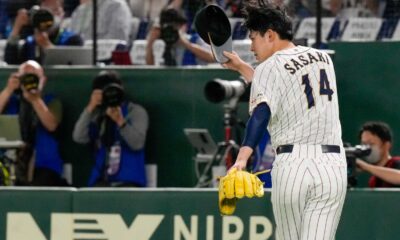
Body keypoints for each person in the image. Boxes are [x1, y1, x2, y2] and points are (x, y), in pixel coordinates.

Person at [222, 1, 347, 239]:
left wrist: (241, 159)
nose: (251, 47)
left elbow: (261, 112)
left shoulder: (269, 67)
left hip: (293, 164)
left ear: (270, 35)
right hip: (332, 166)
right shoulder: (324, 58)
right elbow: (287, 86)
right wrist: (242, 68)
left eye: (253, 38)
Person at [72, 70, 148, 187]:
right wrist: (90, 107)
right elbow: (78, 137)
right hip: (101, 180)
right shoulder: (97, 115)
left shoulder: (135, 111)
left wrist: (120, 122)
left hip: (129, 181)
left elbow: (137, 143)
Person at [0, 60, 65, 186]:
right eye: (26, 77)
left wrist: (35, 100)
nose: (30, 81)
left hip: (43, 165)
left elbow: (51, 125)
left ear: (43, 80)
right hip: (10, 161)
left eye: (34, 77)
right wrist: (8, 90)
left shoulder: (52, 102)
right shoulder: (11, 102)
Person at [4, 0, 83, 64]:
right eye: (45, 11)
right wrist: (16, 28)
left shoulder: (73, 40)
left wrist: (48, 47)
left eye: (54, 10)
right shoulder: (30, 43)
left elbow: (71, 68)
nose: (50, 15)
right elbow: (11, 63)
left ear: (62, 14)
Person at [145, 7, 214, 66]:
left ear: (183, 26)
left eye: (175, 27)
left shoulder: (195, 40)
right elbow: (150, 70)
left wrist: (185, 43)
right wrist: (150, 43)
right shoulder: (161, 45)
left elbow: (212, 58)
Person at [356, 121, 400, 187]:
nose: (367, 148)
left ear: (386, 145)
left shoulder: (396, 162)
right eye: (364, 144)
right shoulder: (373, 180)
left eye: (371, 144)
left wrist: (365, 166)